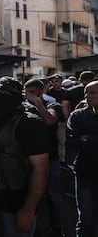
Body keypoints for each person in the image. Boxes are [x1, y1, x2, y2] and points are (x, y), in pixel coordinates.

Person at [0, 76, 49, 237]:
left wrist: (28, 210)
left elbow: (41, 168)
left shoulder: (29, 123)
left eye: (4, 93)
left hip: (18, 206)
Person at [24, 79, 65, 237]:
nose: (28, 97)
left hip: (51, 158)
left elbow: (50, 120)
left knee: (53, 196)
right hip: (31, 159)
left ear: (42, 92)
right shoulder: (25, 109)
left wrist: (37, 102)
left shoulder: (53, 105)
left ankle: (57, 229)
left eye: (32, 93)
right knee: (34, 196)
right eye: (27, 93)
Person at [66, 80, 98, 237]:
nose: (87, 96)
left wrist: (88, 138)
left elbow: (81, 140)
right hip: (86, 171)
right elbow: (72, 141)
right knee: (86, 217)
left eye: (92, 92)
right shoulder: (78, 115)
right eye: (86, 92)